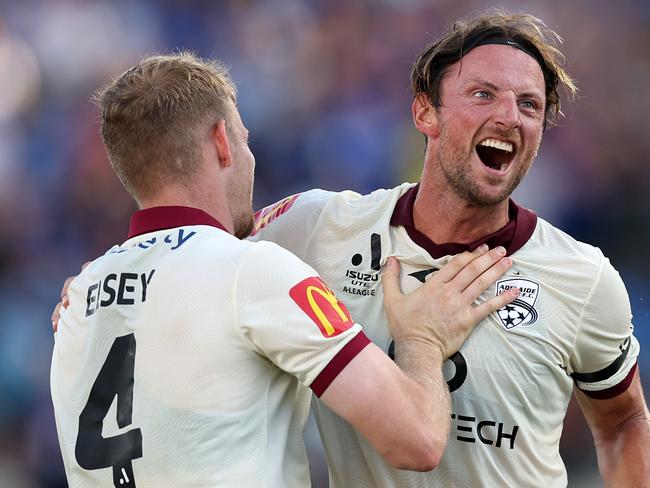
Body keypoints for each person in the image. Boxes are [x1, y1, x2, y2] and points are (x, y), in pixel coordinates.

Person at [50, 52, 518, 487]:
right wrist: (422, 340)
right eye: (244, 140)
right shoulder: (253, 271)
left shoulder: (76, 304)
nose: (250, 158)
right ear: (221, 143)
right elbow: (416, 438)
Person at [249, 11, 650, 488]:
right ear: (425, 112)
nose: (508, 116)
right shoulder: (317, 228)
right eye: (483, 94)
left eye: (529, 104)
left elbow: (624, 422)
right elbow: (206, 252)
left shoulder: (583, 277)